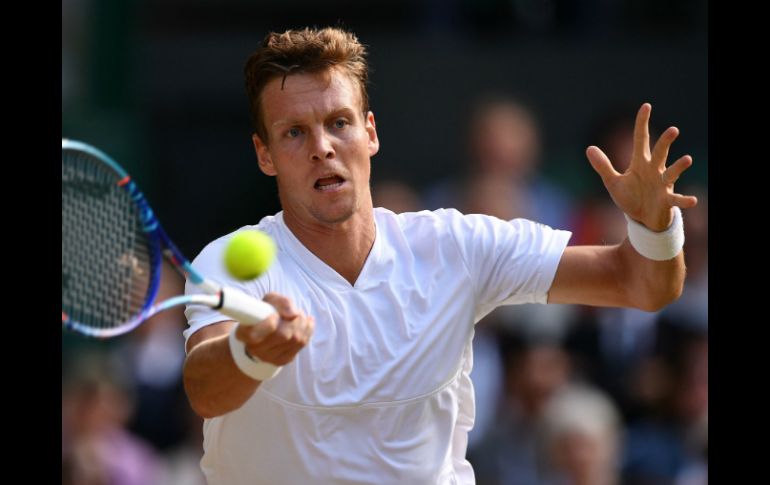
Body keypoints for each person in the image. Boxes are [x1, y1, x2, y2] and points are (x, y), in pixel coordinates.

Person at [181, 27, 698, 484]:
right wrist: (252, 352)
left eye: (339, 122)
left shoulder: (455, 246)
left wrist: (653, 225)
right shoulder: (230, 261)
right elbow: (206, 390)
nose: (322, 147)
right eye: (294, 132)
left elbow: (641, 283)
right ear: (264, 154)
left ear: (371, 132)